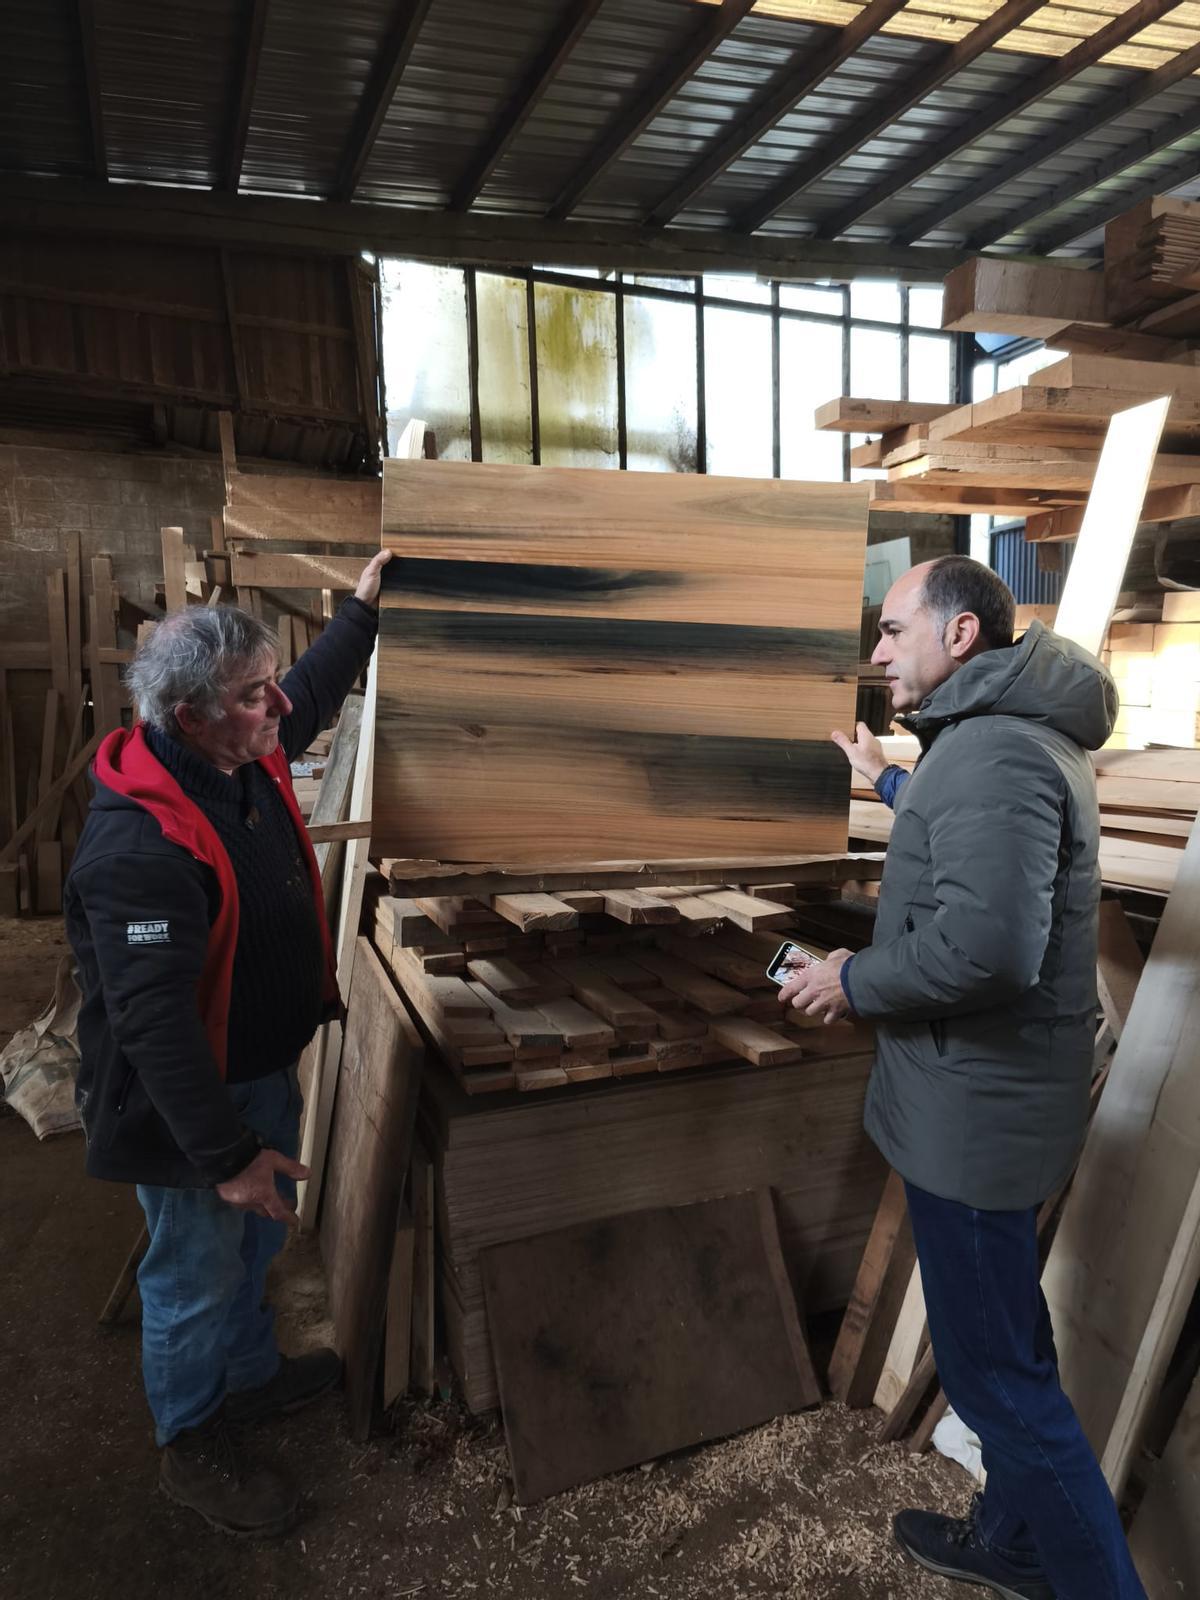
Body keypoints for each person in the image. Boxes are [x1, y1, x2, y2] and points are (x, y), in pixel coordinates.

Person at [779, 556, 1145, 1600]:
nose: (878, 651)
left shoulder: (996, 753)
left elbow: (985, 950)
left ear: (961, 636)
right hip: (980, 1103)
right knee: (1007, 1344)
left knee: (999, 1385)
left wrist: (853, 979)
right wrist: (884, 779)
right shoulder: (993, 737)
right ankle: (1019, 1545)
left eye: (894, 630)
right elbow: (962, 833)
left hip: (976, 1119)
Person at [65, 550, 392, 1539]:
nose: (278, 707)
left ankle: (248, 1378)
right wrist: (226, 1155)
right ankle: (191, 1439)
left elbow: (309, 692)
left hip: (253, 1069)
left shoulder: (236, 752)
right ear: (192, 715)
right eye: (254, 697)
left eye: (269, 684)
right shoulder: (139, 847)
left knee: (252, 1247)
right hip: (186, 1105)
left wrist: (363, 611)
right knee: (193, 1276)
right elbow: (155, 1030)